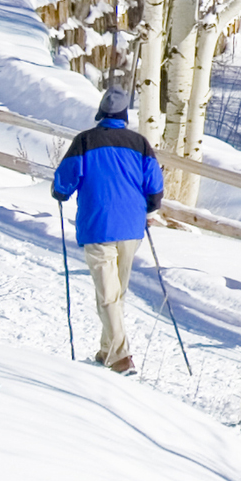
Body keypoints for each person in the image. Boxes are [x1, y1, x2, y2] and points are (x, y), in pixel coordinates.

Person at [51, 84, 162, 372]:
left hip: (99, 224)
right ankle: (107, 349)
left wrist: (60, 192)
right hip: (131, 227)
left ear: (102, 112)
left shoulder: (85, 141)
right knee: (117, 292)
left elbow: (64, 181)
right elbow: (155, 187)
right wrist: (147, 207)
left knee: (108, 293)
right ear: (125, 114)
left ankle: (121, 356)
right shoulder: (140, 144)